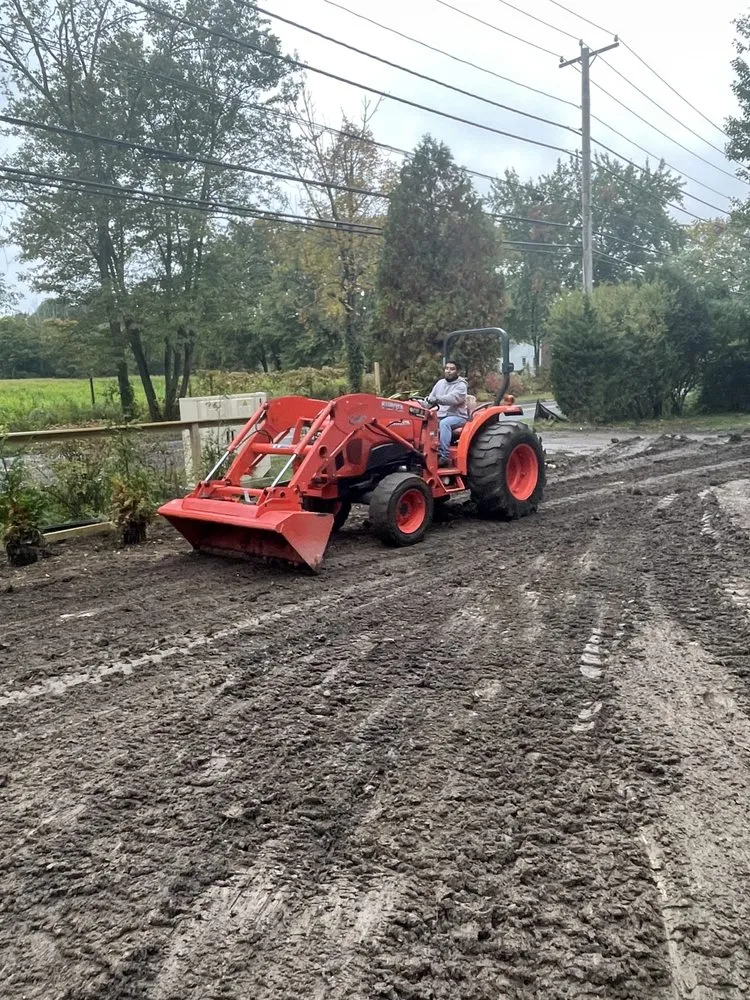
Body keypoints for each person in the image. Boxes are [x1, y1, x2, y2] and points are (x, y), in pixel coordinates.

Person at [428, 360, 469, 466]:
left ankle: (444, 456)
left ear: (458, 372)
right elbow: (430, 399)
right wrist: (420, 404)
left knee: (444, 423)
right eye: (447, 368)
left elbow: (452, 399)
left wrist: (436, 399)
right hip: (440, 415)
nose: (448, 371)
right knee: (423, 421)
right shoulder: (439, 383)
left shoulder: (461, 386)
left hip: (457, 417)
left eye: (452, 369)